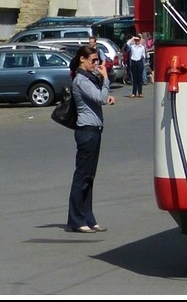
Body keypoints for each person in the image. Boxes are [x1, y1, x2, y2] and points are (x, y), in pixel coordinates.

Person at [66, 44, 115, 234]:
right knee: (82, 176)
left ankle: (88, 217)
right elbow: (100, 98)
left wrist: (104, 88)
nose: (96, 64)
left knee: (89, 177)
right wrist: (106, 80)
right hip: (86, 131)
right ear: (82, 59)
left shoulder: (88, 78)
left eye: (97, 60)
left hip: (94, 130)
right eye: (93, 60)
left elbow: (99, 97)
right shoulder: (81, 80)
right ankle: (77, 220)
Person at [124, 34, 147, 98]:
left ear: (139, 40)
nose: (137, 42)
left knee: (139, 78)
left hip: (139, 62)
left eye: (138, 40)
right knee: (134, 78)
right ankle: (134, 93)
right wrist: (133, 38)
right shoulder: (132, 47)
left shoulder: (142, 47)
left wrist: (143, 63)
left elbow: (143, 56)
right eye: (135, 40)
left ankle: (140, 93)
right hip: (133, 62)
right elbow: (127, 43)